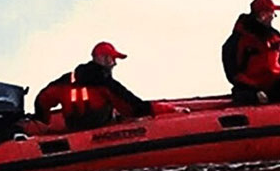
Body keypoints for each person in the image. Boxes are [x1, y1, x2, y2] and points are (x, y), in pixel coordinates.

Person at [33, 41, 182, 131]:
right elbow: (133, 108)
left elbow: (42, 99)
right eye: (112, 59)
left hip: (74, 129)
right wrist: (165, 109)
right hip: (100, 133)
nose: (114, 64)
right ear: (102, 59)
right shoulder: (104, 83)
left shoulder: (66, 80)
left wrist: (43, 120)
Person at [221, 0, 280, 105]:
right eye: (271, 13)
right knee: (245, 96)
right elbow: (233, 72)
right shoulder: (239, 40)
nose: (273, 17)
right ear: (262, 15)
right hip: (251, 88)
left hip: (277, 84)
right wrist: (253, 88)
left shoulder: (275, 37)